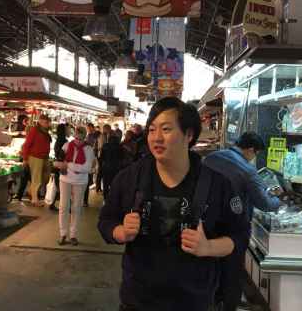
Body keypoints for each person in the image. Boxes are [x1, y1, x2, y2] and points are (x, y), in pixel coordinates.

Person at [98, 97, 250, 311]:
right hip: (138, 301)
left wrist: (208, 247)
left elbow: (241, 235)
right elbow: (105, 221)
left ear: (188, 135)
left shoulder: (217, 185)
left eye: (166, 129)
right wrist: (120, 232)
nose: (156, 138)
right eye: (151, 130)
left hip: (194, 301)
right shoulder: (130, 178)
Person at [203, 132, 283, 311]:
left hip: (207, 224)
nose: (254, 158)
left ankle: (212, 301)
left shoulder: (211, 158)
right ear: (251, 150)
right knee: (231, 273)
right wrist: (280, 200)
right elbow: (265, 203)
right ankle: (228, 304)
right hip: (233, 229)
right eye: (256, 154)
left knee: (209, 268)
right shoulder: (247, 170)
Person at [57, 126, 95, 246]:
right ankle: (63, 233)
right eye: (77, 137)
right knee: (63, 206)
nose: (78, 140)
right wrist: (65, 165)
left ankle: (73, 234)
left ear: (84, 137)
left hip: (80, 181)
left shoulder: (89, 149)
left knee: (76, 208)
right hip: (65, 179)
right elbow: (58, 161)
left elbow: (87, 168)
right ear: (74, 136)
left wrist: (68, 165)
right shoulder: (67, 146)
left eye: (81, 138)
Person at [21, 114, 52, 206]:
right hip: (35, 157)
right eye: (46, 122)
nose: (48, 124)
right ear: (41, 122)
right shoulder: (35, 130)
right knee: (36, 179)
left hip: (43, 157)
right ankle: (34, 199)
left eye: (48, 122)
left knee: (42, 178)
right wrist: (25, 158)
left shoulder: (44, 131)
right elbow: (27, 144)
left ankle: (31, 193)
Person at [48, 123, 69, 212]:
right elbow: (63, 154)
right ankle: (61, 205)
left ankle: (53, 204)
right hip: (61, 165)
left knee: (58, 186)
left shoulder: (58, 140)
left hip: (58, 165)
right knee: (60, 186)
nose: (68, 130)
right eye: (67, 129)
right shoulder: (63, 141)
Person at [98, 134, 126, 201]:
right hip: (116, 168)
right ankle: (114, 199)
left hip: (106, 168)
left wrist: (100, 166)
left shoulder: (105, 146)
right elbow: (122, 157)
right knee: (115, 184)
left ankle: (105, 199)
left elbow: (101, 157)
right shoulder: (120, 146)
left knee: (105, 185)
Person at [84, 123, 99, 207]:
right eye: (87, 128)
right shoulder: (92, 135)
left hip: (90, 159)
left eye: (88, 128)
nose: (88, 129)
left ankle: (84, 200)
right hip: (90, 160)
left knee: (86, 180)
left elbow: (92, 147)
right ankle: (84, 200)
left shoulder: (92, 136)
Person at [96, 124, 113, 195]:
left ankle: (99, 187)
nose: (109, 130)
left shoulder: (103, 136)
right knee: (101, 172)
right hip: (101, 156)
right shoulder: (103, 136)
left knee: (101, 172)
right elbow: (102, 147)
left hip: (101, 156)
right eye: (109, 129)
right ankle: (99, 187)